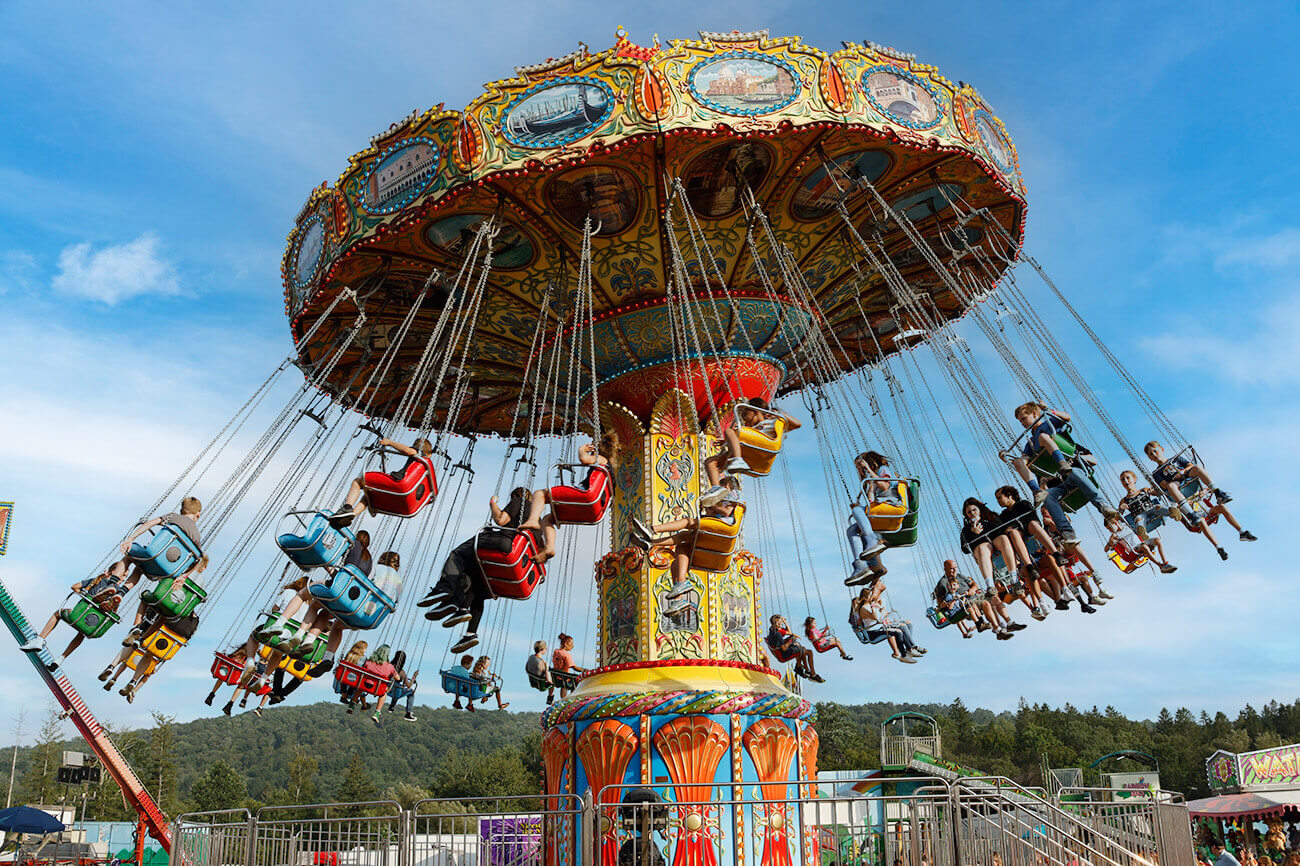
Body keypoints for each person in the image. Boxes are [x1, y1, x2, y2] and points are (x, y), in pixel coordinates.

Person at [629, 491, 744, 607]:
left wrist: (709, 503)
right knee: (678, 555)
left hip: (720, 536)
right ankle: (678, 598)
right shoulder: (719, 511)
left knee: (688, 522)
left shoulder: (731, 496)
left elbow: (727, 510)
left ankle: (652, 529)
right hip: (714, 539)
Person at [1145, 441, 1256, 560]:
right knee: (1198, 518)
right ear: (1150, 459)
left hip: (1187, 478)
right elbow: (1165, 485)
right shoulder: (1157, 473)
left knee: (1198, 470)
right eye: (1151, 454)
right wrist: (1176, 477)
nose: (1154, 454)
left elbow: (1190, 465)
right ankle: (1219, 547)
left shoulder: (1176, 459)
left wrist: (1182, 472)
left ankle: (1240, 528)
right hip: (1176, 485)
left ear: (1162, 449)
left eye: (1155, 451)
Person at [520, 433, 620, 563]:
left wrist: (582, 449)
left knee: (539, 494)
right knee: (548, 519)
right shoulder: (609, 470)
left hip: (586, 496)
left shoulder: (602, 460)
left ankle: (533, 520)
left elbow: (583, 459)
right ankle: (549, 548)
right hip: (595, 510)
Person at [700, 398, 801, 502]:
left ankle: (737, 460)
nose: (744, 420)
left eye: (745, 415)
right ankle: (716, 488)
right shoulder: (752, 429)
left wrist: (780, 415)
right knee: (710, 462)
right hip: (751, 450)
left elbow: (798, 424)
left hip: (765, 443)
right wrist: (727, 441)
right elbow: (746, 438)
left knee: (729, 430)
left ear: (754, 411)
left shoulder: (772, 421)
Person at [22, 570, 127, 670]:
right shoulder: (118, 593)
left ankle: (40, 639)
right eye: (123, 575)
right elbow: (113, 612)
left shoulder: (98, 580)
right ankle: (61, 659)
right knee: (82, 632)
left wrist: (84, 593)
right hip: (91, 625)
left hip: (78, 616)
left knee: (58, 613)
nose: (123, 579)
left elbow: (74, 587)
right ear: (114, 573)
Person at [332, 438, 435, 526]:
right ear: (430, 454)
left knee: (358, 482)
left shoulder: (419, 453)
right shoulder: (426, 467)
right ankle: (351, 515)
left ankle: (347, 507)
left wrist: (390, 443)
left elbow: (409, 451)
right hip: (407, 499)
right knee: (369, 497)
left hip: (398, 483)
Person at [855, 594, 920, 662]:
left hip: (880, 627)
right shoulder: (864, 608)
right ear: (866, 598)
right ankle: (904, 655)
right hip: (873, 632)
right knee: (898, 632)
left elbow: (883, 615)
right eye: (870, 596)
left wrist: (879, 607)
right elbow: (876, 617)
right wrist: (874, 606)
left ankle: (909, 648)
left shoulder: (870, 606)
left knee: (903, 626)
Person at [1105, 514, 1177, 573]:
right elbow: (1106, 549)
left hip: (1141, 543)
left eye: (1110, 527)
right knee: (1144, 547)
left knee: (1157, 540)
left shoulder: (1126, 525)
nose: (1110, 530)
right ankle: (1160, 566)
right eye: (1108, 529)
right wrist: (1110, 540)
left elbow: (1118, 514)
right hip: (1133, 550)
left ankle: (1165, 563)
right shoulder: (1115, 536)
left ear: (1115, 523)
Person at [766, 614, 822, 680]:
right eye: (778, 623)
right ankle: (813, 674)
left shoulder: (772, 630)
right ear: (774, 623)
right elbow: (784, 648)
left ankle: (803, 668)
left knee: (802, 648)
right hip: (783, 655)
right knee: (809, 652)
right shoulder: (778, 634)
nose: (780, 624)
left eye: (780, 622)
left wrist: (790, 639)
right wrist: (790, 641)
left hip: (779, 651)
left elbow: (779, 642)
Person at [361, 644, 397, 722]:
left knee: (359, 687)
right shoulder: (390, 667)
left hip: (365, 686)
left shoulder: (369, 662)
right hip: (378, 690)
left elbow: (363, 668)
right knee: (384, 693)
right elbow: (397, 678)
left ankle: (352, 705)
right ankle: (377, 713)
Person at [385, 650, 418, 721]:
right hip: (396, 692)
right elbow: (409, 685)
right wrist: (414, 677)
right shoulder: (402, 672)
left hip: (386, 689)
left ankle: (392, 707)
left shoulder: (388, 666)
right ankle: (408, 713)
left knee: (397, 688)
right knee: (411, 692)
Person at [551, 633, 586, 700]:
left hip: (556, 676)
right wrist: (584, 670)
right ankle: (571, 698)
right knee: (575, 681)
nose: (572, 646)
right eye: (571, 644)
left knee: (564, 681)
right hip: (564, 677)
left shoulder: (556, 651)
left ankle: (560, 698)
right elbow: (574, 667)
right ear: (566, 644)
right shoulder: (566, 654)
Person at [526, 640, 556, 704]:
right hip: (541, 684)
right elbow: (549, 680)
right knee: (555, 680)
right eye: (545, 648)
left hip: (533, 681)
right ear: (541, 649)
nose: (546, 649)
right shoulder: (541, 663)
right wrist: (547, 667)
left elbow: (526, 668)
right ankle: (550, 698)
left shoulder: (531, 657)